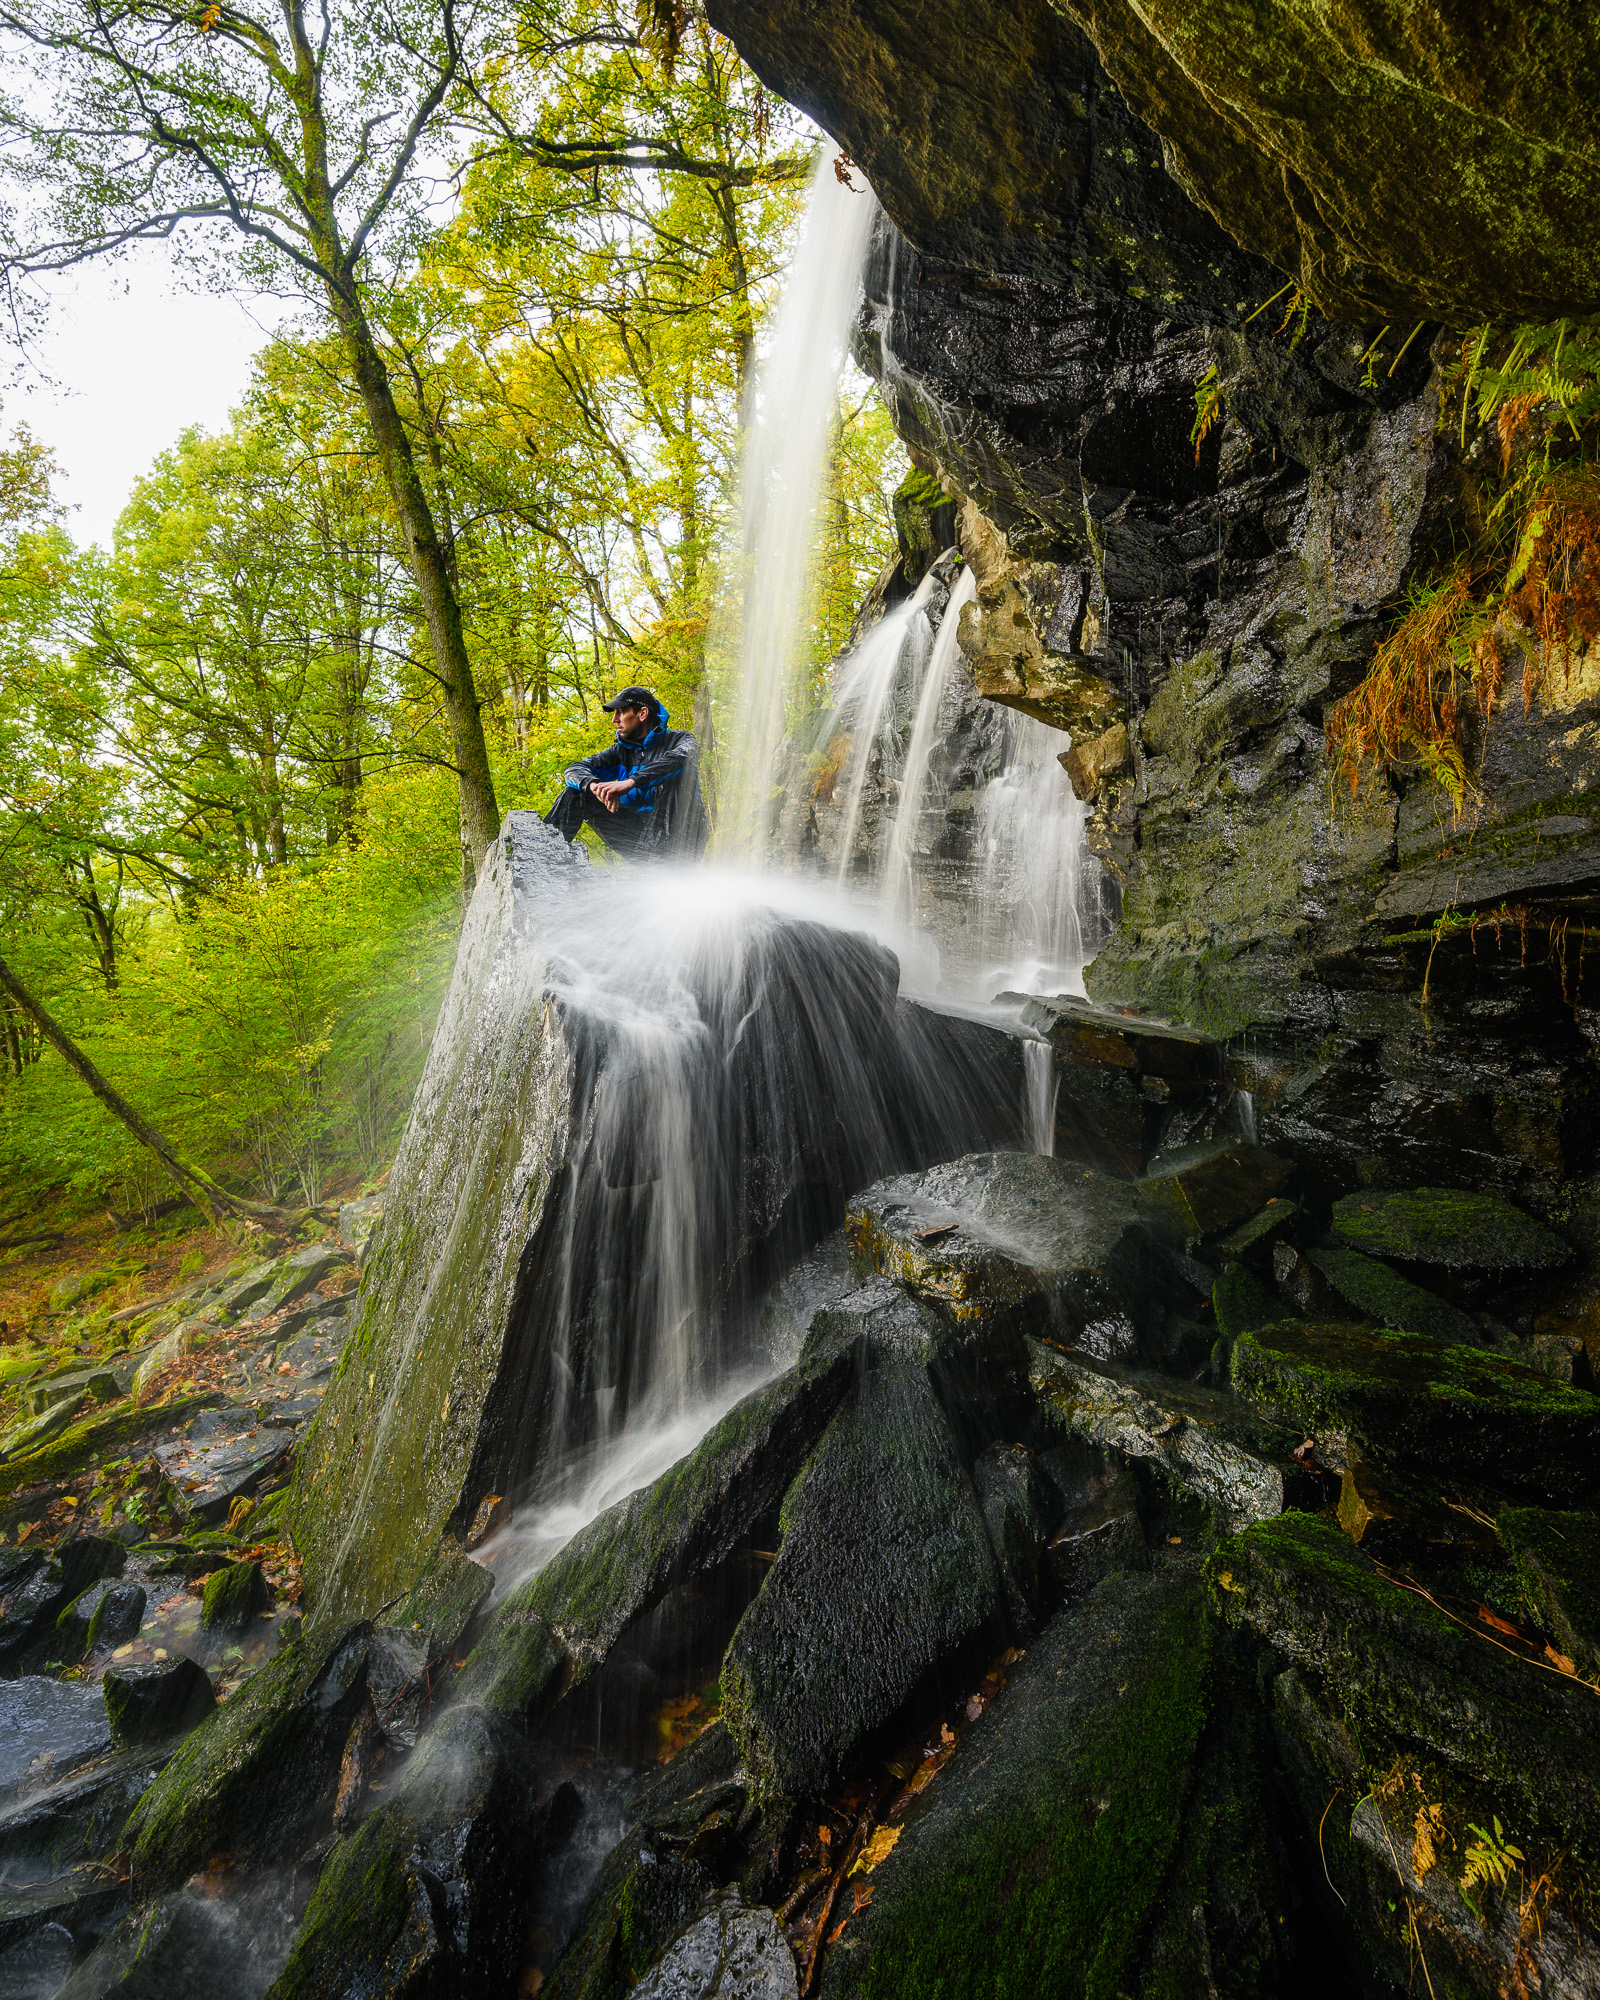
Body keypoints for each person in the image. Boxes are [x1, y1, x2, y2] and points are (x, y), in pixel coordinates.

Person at [543, 686, 709, 859]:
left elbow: (684, 757)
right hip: (638, 836)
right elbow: (574, 769)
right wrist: (594, 787)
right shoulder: (621, 751)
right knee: (577, 793)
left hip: (679, 842)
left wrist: (631, 782)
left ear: (642, 714)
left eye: (621, 712)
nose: (615, 719)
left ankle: (667, 870)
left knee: (677, 777)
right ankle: (543, 858)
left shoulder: (680, 740)